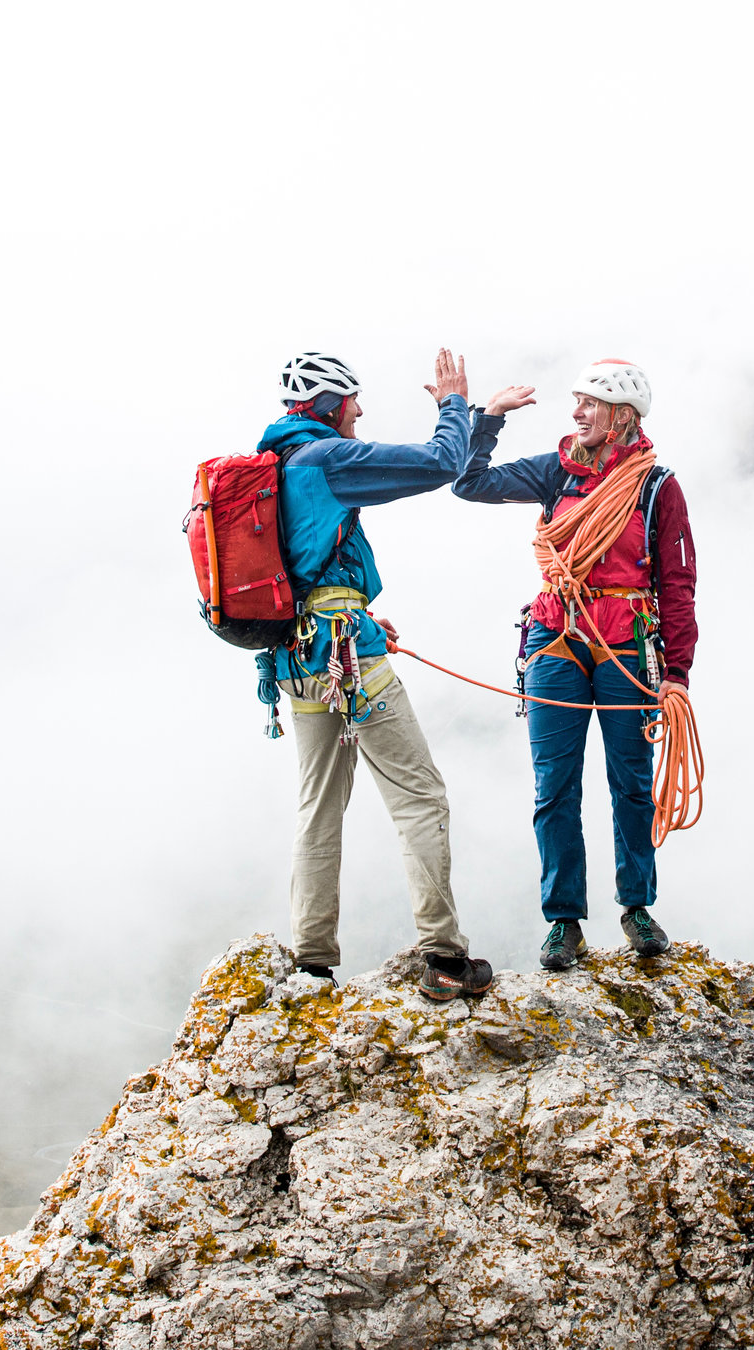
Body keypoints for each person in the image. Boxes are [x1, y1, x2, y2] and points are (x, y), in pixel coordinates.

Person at [255, 348, 530, 1000]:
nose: (358, 411)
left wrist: (366, 622)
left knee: (317, 809)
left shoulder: (277, 465)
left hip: (297, 661)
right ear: (327, 404)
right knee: (419, 800)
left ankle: (311, 961)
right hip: (348, 664)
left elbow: (309, 570)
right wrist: (454, 407)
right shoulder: (327, 460)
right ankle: (444, 958)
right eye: (351, 400)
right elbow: (439, 463)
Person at [451, 359, 698, 971]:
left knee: (632, 782)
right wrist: (488, 419)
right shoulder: (555, 471)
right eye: (577, 401)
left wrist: (677, 673)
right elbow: (469, 483)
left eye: (590, 403)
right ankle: (564, 920)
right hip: (555, 635)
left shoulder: (655, 486)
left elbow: (678, 581)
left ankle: (636, 907)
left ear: (622, 416)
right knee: (554, 785)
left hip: (628, 639)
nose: (577, 412)